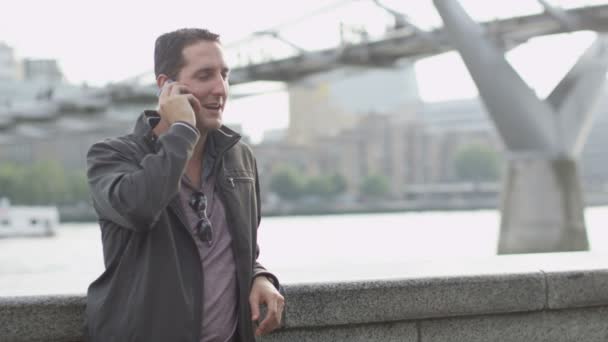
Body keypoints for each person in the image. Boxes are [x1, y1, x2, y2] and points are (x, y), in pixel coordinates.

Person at [84, 28, 284, 342]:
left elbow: (241, 250)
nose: (220, 88)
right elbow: (140, 208)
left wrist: (260, 276)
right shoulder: (112, 156)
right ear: (167, 86)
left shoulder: (239, 157)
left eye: (224, 74)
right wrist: (181, 130)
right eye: (205, 75)